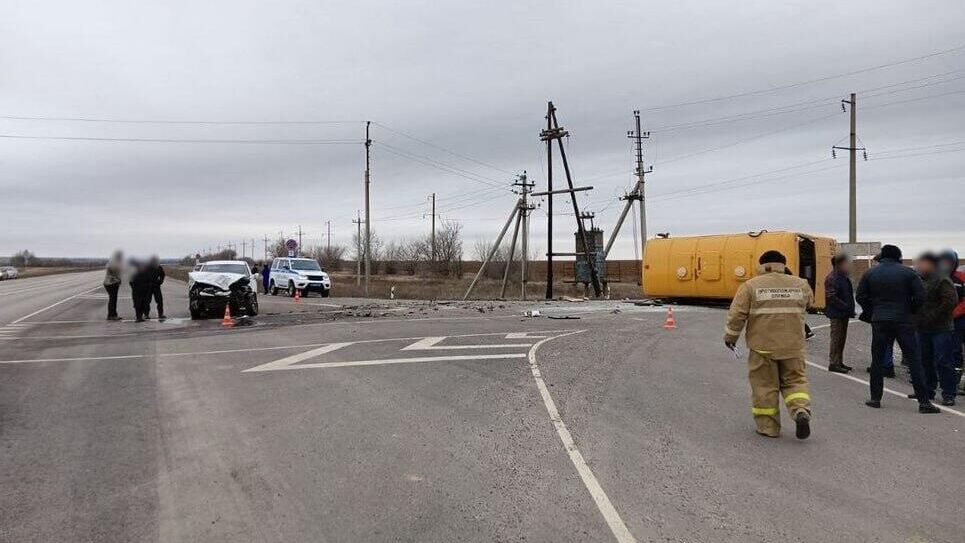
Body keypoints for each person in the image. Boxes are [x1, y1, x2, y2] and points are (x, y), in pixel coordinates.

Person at [725, 250, 813, 439]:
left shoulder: (750, 286)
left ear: (761, 265)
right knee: (796, 381)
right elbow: (809, 304)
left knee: (764, 386)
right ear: (784, 264)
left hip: (762, 348)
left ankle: (768, 427)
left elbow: (737, 315)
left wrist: (730, 338)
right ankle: (800, 411)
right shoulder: (801, 284)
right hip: (793, 347)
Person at [855, 244, 939, 413]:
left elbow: (860, 296)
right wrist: (911, 311)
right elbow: (921, 296)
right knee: (914, 360)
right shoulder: (909, 273)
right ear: (898, 257)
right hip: (904, 320)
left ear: (883, 256)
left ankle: (875, 398)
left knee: (877, 360)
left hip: (880, 320)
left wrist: (873, 311)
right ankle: (924, 402)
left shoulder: (871, 273)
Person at [913, 253, 958, 406]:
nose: (920, 266)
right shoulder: (918, 279)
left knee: (943, 361)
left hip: (941, 328)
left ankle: (949, 393)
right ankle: (927, 390)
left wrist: (932, 316)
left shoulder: (942, 279)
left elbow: (950, 301)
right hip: (922, 328)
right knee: (924, 360)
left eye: (923, 263)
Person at [937, 250, 964, 397]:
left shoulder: (961, 278)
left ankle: (956, 382)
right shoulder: (936, 278)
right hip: (940, 322)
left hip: (959, 321)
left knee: (956, 352)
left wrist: (953, 314)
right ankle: (945, 382)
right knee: (943, 352)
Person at [824, 253, 855, 374]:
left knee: (842, 338)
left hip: (843, 313)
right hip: (837, 313)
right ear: (839, 264)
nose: (848, 265)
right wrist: (845, 306)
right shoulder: (833, 277)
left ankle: (839, 361)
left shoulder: (842, 276)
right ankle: (833, 363)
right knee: (836, 338)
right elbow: (831, 296)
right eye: (846, 263)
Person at [103, 250, 123, 321]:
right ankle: (111, 315)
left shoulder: (112, 262)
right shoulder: (114, 263)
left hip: (110, 283)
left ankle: (113, 314)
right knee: (113, 299)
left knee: (113, 299)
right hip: (111, 283)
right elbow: (116, 271)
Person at [145, 256, 166, 320]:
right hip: (148, 286)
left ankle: (160, 314)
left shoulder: (158, 267)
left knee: (159, 300)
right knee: (147, 301)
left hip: (156, 286)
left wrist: (160, 281)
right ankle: (146, 314)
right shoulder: (147, 267)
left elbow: (162, 274)